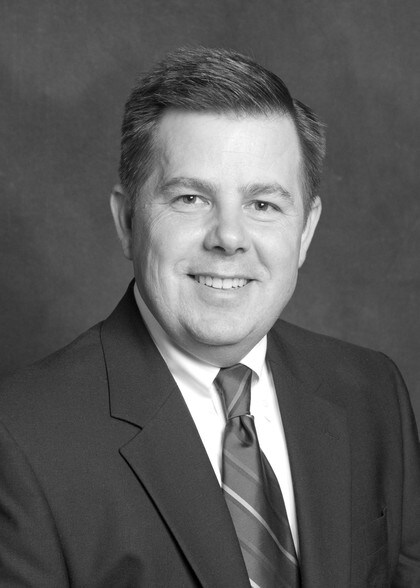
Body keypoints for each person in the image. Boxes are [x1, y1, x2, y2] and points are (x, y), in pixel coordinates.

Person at [0, 47, 419, 588]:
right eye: (191, 198)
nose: (229, 237)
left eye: (263, 205)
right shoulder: (21, 439)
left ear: (305, 231)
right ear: (127, 222)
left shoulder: (372, 392)